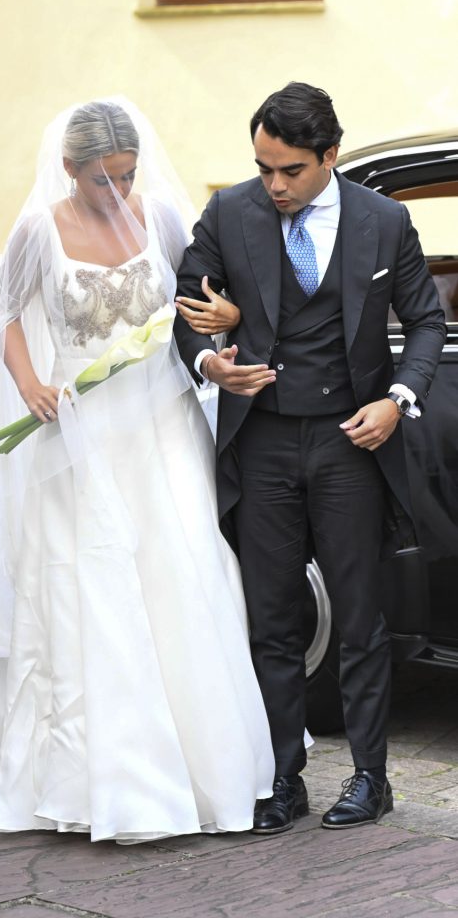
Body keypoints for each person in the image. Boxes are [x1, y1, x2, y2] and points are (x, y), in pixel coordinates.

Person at [0, 99, 275, 842]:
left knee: (183, 574)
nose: (115, 193)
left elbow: (193, 296)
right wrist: (32, 383)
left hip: (162, 424)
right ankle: (99, 777)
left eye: (126, 177)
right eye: (101, 180)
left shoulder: (162, 216)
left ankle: (206, 769)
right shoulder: (38, 230)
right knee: (88, 589)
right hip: (77, 429)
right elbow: (4, 316)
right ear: (69, 170)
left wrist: (218, 325)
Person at [174, 82, 446, 833]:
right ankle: (280, 779)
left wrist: (398, 398)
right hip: (260, 442)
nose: (274, 185)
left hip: (350, 442)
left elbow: (425, 321)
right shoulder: (230, 213)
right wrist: (210, 364)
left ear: (330, 156)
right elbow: (185, 308)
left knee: (360, 618)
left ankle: (370, 778)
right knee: (271, 618)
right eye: (263, 167)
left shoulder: (384, 221)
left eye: (289, 170)